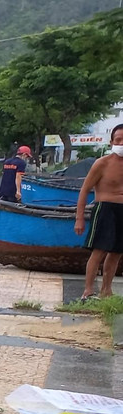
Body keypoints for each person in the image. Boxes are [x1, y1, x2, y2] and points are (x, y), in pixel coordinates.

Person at [75, 124, 123, 299]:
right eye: (118, 140)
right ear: (111, 142)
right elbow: (84, 190)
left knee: (116, 252)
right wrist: (79, 218)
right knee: (99, 251)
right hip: (105, 208)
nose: (121, 144)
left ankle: (106, 290)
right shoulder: (102, 163)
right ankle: (88, 291)